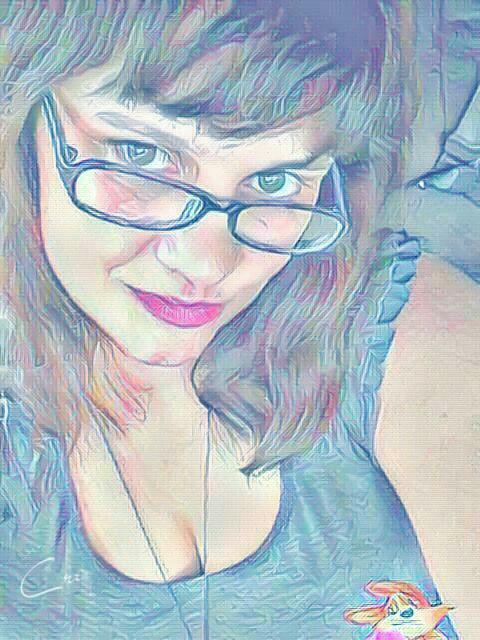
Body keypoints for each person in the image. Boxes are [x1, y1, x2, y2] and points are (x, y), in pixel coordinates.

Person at [0, 1, 476, 638]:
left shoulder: (396, 329)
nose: (208, 265)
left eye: (276, 181)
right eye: (141, 154)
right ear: (23, 118)